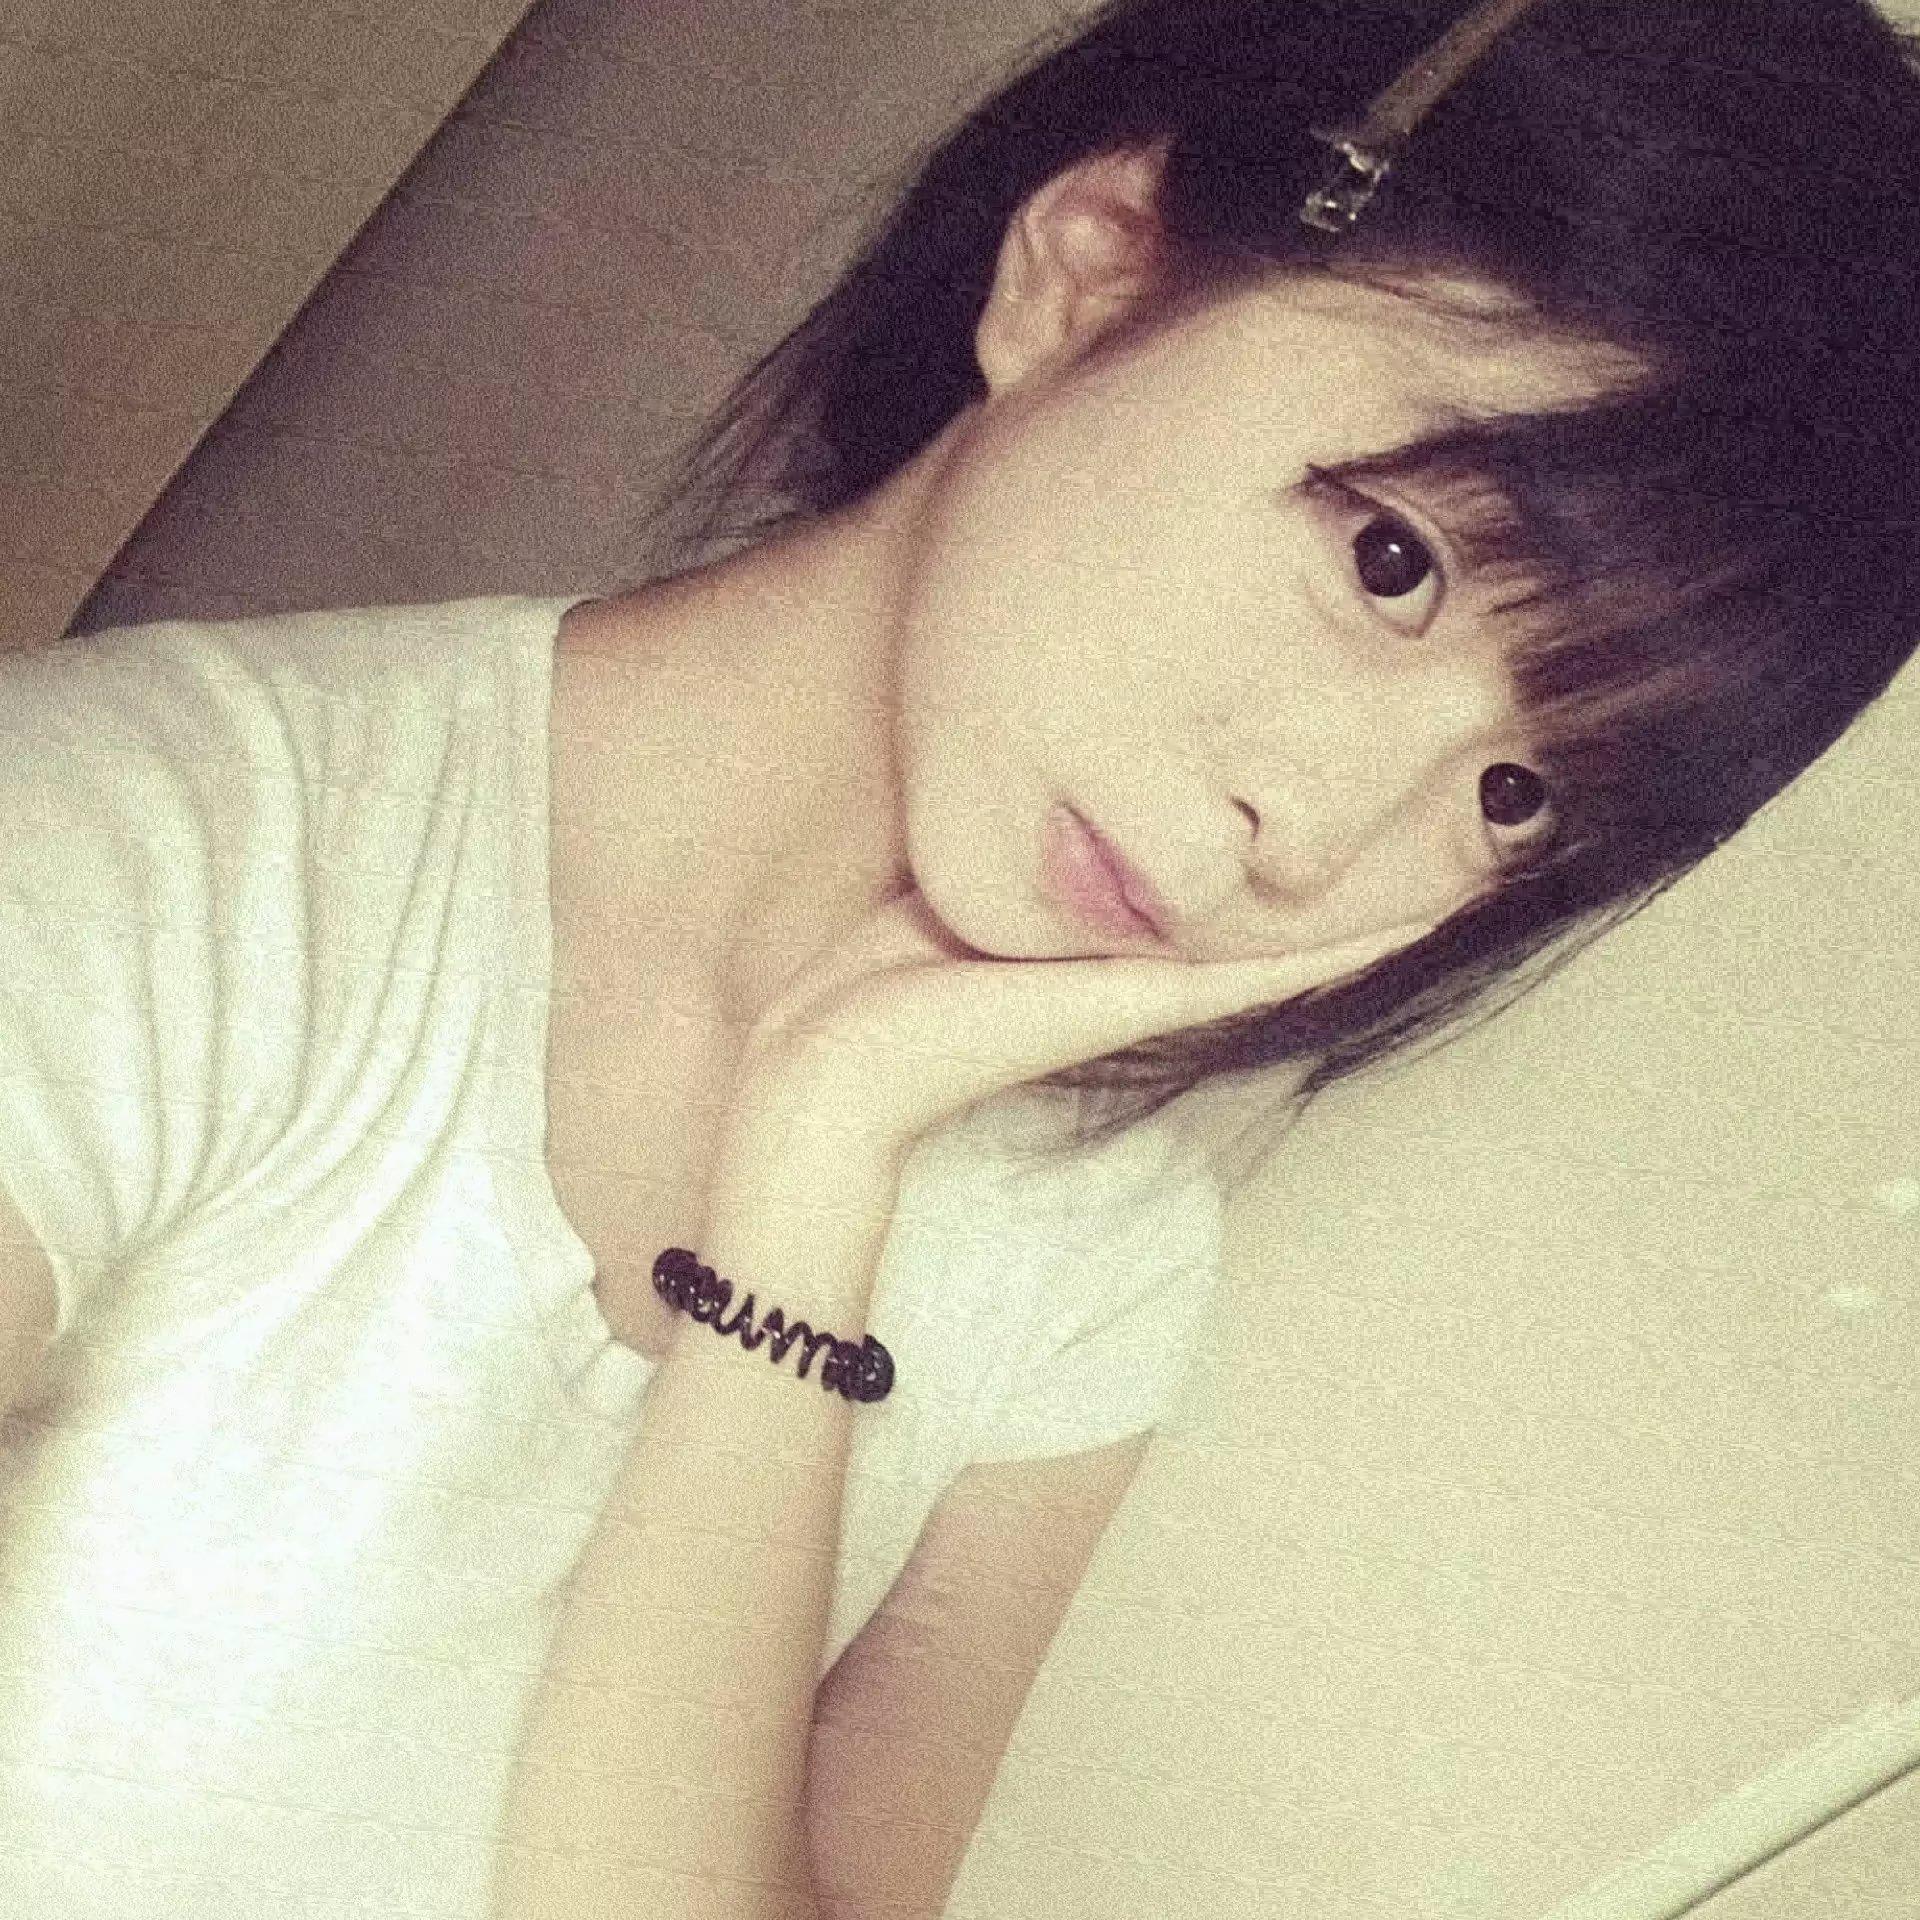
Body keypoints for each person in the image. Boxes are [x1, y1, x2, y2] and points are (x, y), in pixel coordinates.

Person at [3, 1, 1919, 1917]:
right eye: (1392, 563)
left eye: (1520, 793)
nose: (1318, 833)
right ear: (1088, 276)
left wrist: (813, 1167)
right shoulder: (153, 857)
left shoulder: (1095, 1249)